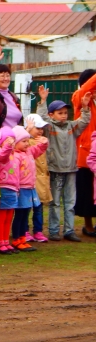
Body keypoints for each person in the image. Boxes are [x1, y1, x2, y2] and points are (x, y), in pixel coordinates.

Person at [36, 87, 91, 242]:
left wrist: (85, 108)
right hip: (55, 169)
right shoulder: (49, 127)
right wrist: (43, 101)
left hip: (71, 170)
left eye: (65, 113)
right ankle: (54, 231)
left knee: (70, 202)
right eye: (60, 113)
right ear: (51, 114)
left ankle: (69, 230)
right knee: (54, 202)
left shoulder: (72, 127)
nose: (64, 116)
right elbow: (41, 119)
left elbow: (84, 121)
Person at [10, 126, 48, 253]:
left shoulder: (29, 152)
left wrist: (44, 142)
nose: (27, 143)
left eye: (27, 141)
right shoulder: (15, 156)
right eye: (24, 141)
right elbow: (14, 174)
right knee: (19, 215)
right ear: (15, 142)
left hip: (29, 188)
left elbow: (39, 149)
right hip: (20, 189)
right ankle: (16, 239)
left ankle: (22, 238)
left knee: (26, 213)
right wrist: (16, 188)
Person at [72, 68, 96, 236]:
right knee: (87, 191)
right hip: (87, 155)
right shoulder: (80, 99)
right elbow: (87, 87)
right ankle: (88, 225)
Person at [24, 113, 51, 243]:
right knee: (26, 207)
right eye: (37, 128)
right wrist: (27, 131)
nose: (40, 131)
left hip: (41, 180)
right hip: (28, 180)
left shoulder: (43, 140)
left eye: (42, 128)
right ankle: (24, 230)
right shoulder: (25, 142)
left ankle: (38, 231)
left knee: (39, 207)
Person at [0, 127, 18, 255]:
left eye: (12, 139)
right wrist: (7, 146)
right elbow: (2, 156)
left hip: (13, 188)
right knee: (2, 216)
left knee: (9, 216)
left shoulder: (14, 154)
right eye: (8, 139)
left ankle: (6, 241)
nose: (11, 142)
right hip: (3, 187)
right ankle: (0, 242)